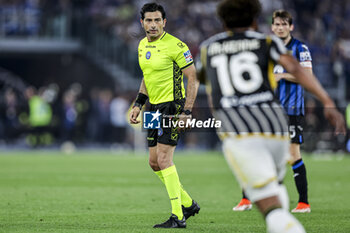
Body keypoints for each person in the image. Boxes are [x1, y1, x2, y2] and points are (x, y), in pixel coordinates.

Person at [197, 0, 346, 232]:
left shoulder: (209, 47)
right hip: (276, 125)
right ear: (256, 21)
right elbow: (296, 68)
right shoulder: (266, 42)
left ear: (223, 22)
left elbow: (210, 89)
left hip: (242, 131)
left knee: (270, 206)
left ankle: (290, 217)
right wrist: (327, 102)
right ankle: (285, 208)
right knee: (276, 189)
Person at [233, 10, 314, 213]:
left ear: (291, 27)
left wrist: (282, 75)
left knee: (293, 153)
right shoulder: (266, 48)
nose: (280, 28)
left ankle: (303, 203)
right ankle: (246, 199)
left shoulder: (299, 48)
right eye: (277, 24)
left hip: (291, 109)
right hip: (266, 109)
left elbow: (308, 76)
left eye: (284, 24)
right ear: (272, 27)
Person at [129, 2, 200, 229]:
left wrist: (187, 111)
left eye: (157, 20)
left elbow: (193, 78)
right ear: (142, 23)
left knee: (164, 159)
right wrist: (139, 104)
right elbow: (147, 77)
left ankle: (177, 216)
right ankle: (188, 204)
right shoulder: (141, 45)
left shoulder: (176, 46)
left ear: (164, 22)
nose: (153, 25)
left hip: (172, 106)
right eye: (148, 20)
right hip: (153, 108)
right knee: (153, 162)